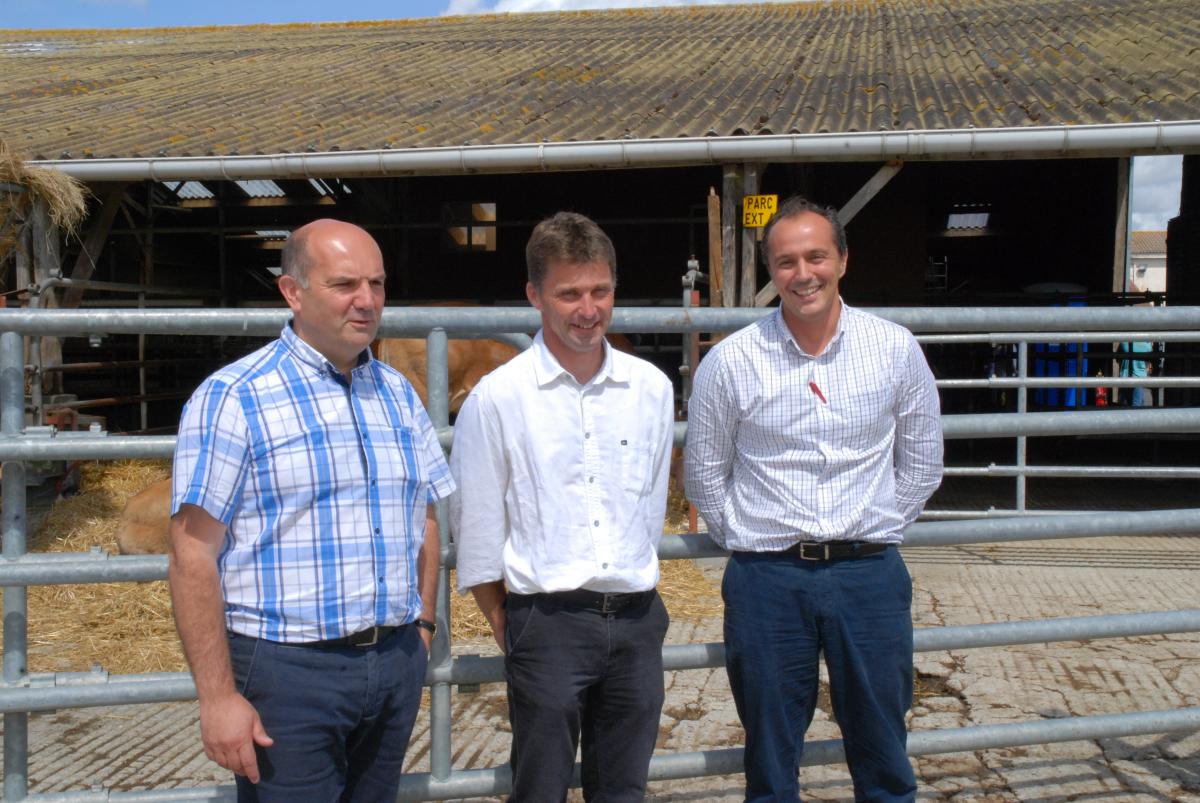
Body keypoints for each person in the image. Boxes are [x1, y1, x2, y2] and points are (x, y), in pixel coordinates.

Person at [168, 219, 454, 802]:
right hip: (288, 674)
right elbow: (191, 551)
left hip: (393, 661)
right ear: (292, 292)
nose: (367, 300)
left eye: (376, 283)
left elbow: (424, 514)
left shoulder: (398, 393)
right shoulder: (235, 397)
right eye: (344, 284)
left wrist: (422, 627)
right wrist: (218, 698)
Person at [684, 196, 944, 802]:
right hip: (768, 580)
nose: (803, 274)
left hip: (868, 575)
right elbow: (704, 475)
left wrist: (871, 525)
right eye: (786, 261)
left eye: (816, 257)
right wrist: (754, 538)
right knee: (770, 756)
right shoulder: (732, 361)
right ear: (772, 271)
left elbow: (922, 464)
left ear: (843, 260)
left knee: (883, 750)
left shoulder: (894, 349)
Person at [451, 211, 675, 802]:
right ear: (535, 296)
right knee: (540, 788)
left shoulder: (650, 388)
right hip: (546, 621)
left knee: (624, 788)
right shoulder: (498, 397)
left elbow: (650, 505)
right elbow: (477, 527)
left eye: (600, 291)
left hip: (636, 617)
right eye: (569, 294)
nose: (588, 309)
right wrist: (510, 626)